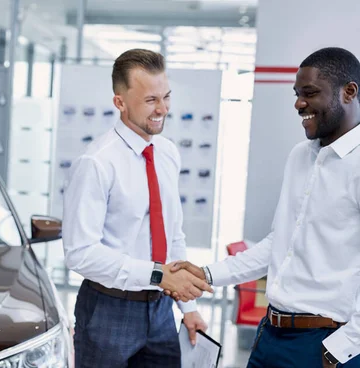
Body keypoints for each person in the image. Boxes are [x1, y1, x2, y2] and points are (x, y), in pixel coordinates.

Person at [170, 47, 360, 368]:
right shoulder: (300, 156)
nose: (299, 104)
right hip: (270, 335)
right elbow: (278, 244)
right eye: (297, 94)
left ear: (349, 92)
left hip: (326, 346)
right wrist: (207, 274)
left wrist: (343, 346)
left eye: (309, 93)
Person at [62, 48, 212, 368]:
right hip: (107, 310)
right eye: (150, 100)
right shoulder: (96, 163)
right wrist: (158, 275)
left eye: (166, 97)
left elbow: (173, 235)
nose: (162, 109)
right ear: (120, 102)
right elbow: (80, 252)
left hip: (161, 311)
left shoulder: (168, 153)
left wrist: (189, 308)